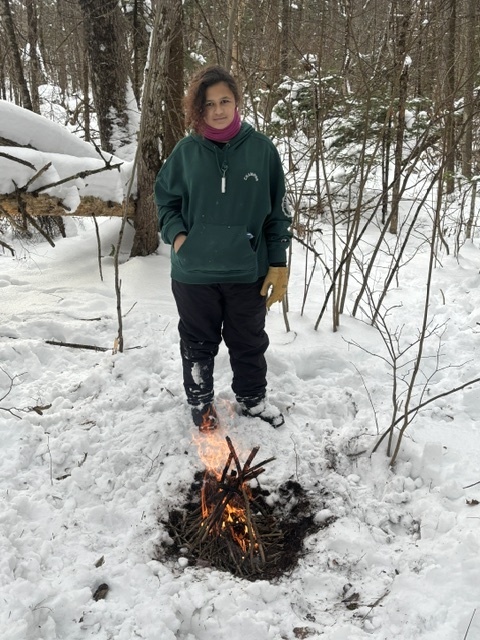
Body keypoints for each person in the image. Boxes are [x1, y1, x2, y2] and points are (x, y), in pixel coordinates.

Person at [154, 65, 292, 431]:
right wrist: (179, 238)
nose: (218, 110)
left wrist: (278, 264)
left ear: (237, 102)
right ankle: (200, 404)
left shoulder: (262, 151)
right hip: (194, 273)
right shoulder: (185, 152)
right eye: (210, 103)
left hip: (247, 271)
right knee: (198, 343)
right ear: (199, 108)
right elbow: (164, 201)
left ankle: (252, 399)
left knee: (248, 341)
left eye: (225, 100)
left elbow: (277, 213)